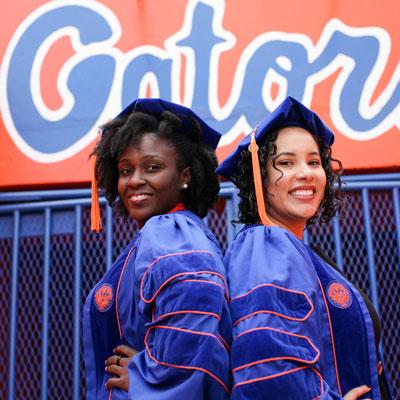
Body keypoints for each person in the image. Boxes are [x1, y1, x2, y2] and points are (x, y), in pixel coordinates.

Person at [216, 96, 394, 399]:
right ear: (259, 180)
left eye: (314, 162)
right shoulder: (265, 244)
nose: (306, 172)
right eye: (286, 162)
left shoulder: (300, 254)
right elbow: (267, 364)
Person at [83, 98, 231, 399]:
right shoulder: (177, 232)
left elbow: (194, 309)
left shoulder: (170, 230)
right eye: (126, 170)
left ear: (185, 177)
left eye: (152, 167)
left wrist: (151, 374)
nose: (135, 180)